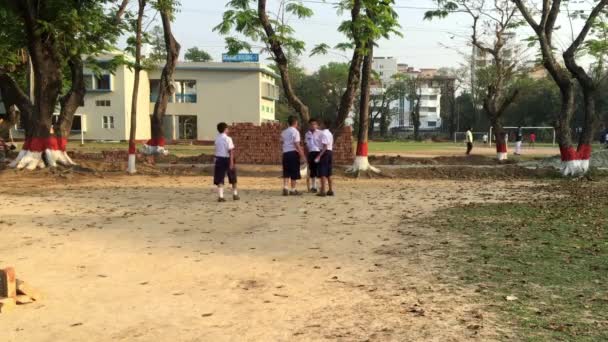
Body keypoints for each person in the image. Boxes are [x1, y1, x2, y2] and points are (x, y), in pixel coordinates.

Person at [213, 122, 239, 202]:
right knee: (232, 177)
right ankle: (235, 194)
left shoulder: (217, 139)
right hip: (227, 159)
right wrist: (231, 162)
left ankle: (221, 196)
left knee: (220, 177)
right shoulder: (228, 139)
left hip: (218, 159)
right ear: (225, 129)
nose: (228, 130)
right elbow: (231, 151)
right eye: (227, 128)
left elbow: (216, 150)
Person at [281, 115, 306, 196]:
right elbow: (297, 144)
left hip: (285, 153)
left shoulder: (284, 132)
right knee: (294, 171)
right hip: (293, 153)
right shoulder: (295, 132)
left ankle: (285, 187)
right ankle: (293, 189)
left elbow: (281, 142)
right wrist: (302, 155)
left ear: (288, 123)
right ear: (295, 122)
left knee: (286, 171)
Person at [315, 119, 334, 197]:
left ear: (324, 125)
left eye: (321, 124)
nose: (320, 125)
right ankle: (330, 189)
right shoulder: (330, 133)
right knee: (328, 172)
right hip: (329, 153)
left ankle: (323, 190)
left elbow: (325, 146)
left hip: (324, 153)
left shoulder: (324, 133)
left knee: (322, 172)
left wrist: (319, 155)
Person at [304, 118, 321, 193]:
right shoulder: (307, 134)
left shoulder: (320, 133)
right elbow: (306, 146)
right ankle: (313, 186)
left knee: (318, 170)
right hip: (311, 153)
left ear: (317, 125)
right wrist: (305, 156)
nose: (313, 126)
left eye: (314, 124)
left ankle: (319, 186)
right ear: (309, 125)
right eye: (311, 124)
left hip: (318, 152)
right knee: (312, 170)